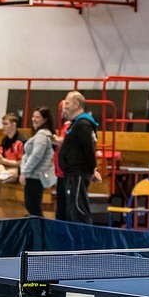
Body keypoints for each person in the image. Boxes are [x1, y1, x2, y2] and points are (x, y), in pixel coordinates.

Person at [56, 91, 101, 223]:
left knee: (79, 209)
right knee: (72, 210)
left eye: (67, 103)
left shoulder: (83, 124)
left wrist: (92, 169)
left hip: (78, 173)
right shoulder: (75, 124)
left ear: (76, 104)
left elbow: (89, 149)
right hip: (71, 173)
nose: (65, 106)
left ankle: (84, 235)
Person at [18, 107, 58, 217]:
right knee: (32, 207)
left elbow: (36, 155)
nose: (34, 119)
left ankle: (40, 227)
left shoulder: (42, 136)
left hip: (36, 176)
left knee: (33, 208)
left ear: (45, 119)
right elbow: (28, 155)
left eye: (37, 117)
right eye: (33, 116)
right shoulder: (40, 134)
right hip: (32, 175)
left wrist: (24, 172)